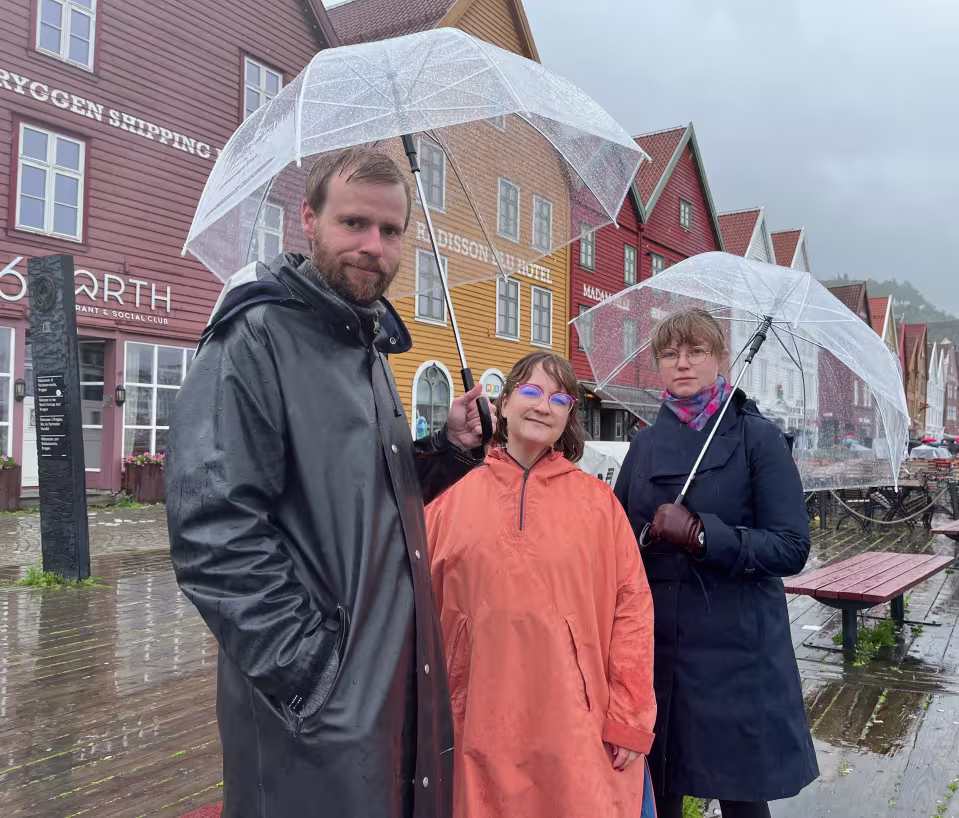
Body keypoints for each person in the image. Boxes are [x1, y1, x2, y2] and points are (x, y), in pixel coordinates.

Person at [165, 147, 496, 818]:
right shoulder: (254, 337)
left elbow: (362, 500)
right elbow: (213, 532)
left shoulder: (365, 347)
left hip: (390, 696)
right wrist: (314, 677)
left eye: (391, 231)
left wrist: (445, 451)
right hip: (315, 715)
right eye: (354, 224)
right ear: (309, 220)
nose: (373, 246)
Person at [425, 351, 656, 818]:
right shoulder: (450, 502)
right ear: (503, 403)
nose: (542, 406)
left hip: (574, 726)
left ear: (569, 415)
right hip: (476, 724)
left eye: (559, 398)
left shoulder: (599, 504)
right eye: (530, 391)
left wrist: (630, 719)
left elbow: (631, 608)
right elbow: (414, 614)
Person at [615, 309, 818, 818]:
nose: (682, 364)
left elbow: (791, 547)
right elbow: (615, 542)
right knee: (660, 791)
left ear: (721, 360)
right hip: (660, 652)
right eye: (669, 354)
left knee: (741, 798)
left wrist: (707, 535)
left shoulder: (759, 439)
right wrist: (637, 538)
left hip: (738, 653)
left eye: (696, 352)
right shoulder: (642, 446)